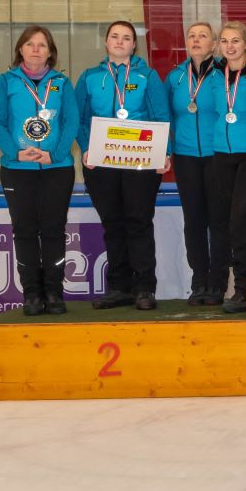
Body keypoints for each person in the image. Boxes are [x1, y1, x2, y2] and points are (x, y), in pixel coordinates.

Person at [77, 21, 170, 310]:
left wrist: (163, 153)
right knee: (113, 225)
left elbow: (161, 115)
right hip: (101, 164)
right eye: (114, 37)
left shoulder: (148, 76)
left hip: (140, 162)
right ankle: (119, 288)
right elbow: (79, 119)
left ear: (133, 45)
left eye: (126, 38)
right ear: (106, 43)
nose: (119, 41)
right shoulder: (90, 77)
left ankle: (144, 288)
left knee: (138, 223)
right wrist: (86, 148)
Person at [0, 26, 79, 316]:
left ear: (50, 52)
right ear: (20, 50)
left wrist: (55, 154)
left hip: (56, 168)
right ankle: (32, 295)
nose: (36, 49)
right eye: (30, 44)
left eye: (42, 45)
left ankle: (53, 292)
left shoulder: (62, 83)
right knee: (25, 231)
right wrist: (16, 153)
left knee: (53, 230)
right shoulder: (6, 82)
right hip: (18, 169)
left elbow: (71, 123)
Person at [204, 21, 246, 313]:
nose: (230, 46)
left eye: (236, 41)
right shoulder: (214, 75)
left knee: (240, 218)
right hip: (222, 154)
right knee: (238, 221)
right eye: (224, 41)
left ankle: (244, 287)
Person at [165, 21, 228, 305]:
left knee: (219, 221)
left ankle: (218, 282)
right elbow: (164, 119)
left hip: (218, 155)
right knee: (194, 221)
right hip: (186, 156)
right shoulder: (175, 77)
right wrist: (165, 151)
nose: (196, 40)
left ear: (214, 44)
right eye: (191, 35)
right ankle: (198, 281)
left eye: (203, 36)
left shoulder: (224, 74)